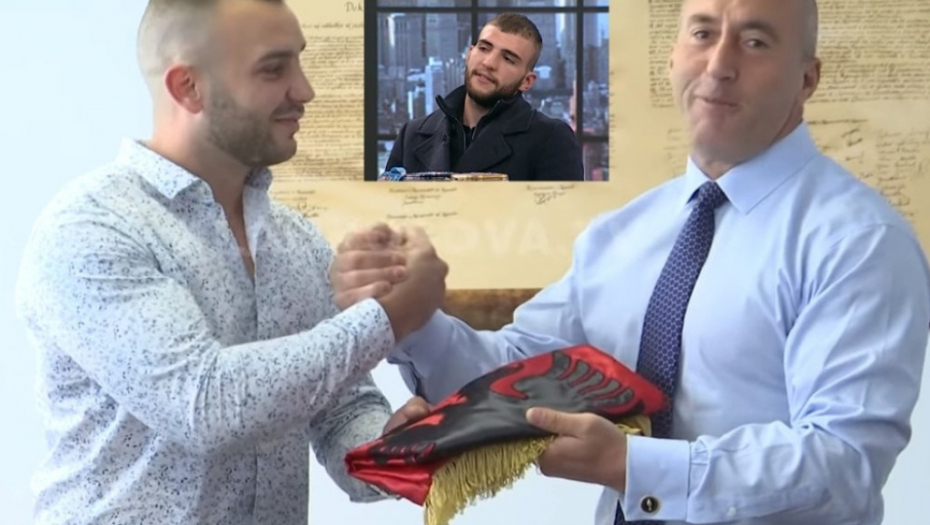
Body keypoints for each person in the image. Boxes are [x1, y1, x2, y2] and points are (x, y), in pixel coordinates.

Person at [331, 0, 930, 523]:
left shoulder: (859, 241)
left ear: (807, 78)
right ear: (673, 59)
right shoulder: (623, 233)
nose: (719, 64)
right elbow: (514, 374)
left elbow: (845, 465)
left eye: (755, 41)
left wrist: (635, 466)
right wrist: (412, 317)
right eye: (702, 33)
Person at [14, 1, 446, 524]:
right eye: (274, 69)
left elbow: (342, 408)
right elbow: (203, 404)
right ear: (188, 88)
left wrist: (389, 448)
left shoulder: (295, 239)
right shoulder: (91, 227)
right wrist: (390, 316)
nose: (304, 90)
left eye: (299, 62)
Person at [384, 12, 585, 181]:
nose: (489, 63)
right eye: (484, 48)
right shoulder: (412, 135)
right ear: (469, 54)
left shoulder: (551, 140)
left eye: (508, 59)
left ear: (527, 81)